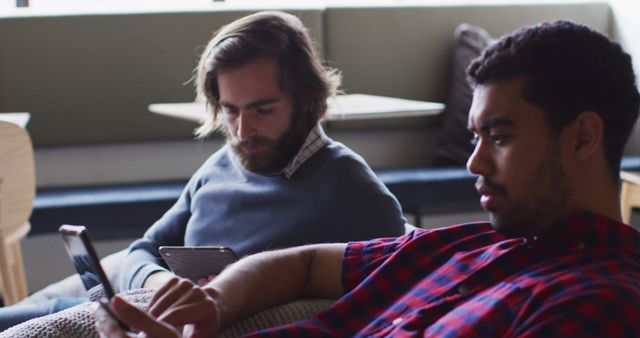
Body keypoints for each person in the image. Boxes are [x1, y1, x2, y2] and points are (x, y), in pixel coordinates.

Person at [96, 20, 640, 337]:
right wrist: (212, 303)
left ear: (583, 137)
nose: (473, 164)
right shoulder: (460, 243)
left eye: (498, 137)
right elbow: (307, 262)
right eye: (474, 139)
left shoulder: (599, 303)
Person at [0, 11, 406, 331]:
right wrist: (163, 286)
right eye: (230, 111)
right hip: (143, 304)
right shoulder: (223, 164)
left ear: (305, 100)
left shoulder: (352, 192)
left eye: (262, 110)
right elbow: (144, 249)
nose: (243, 131)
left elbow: (391, 297)